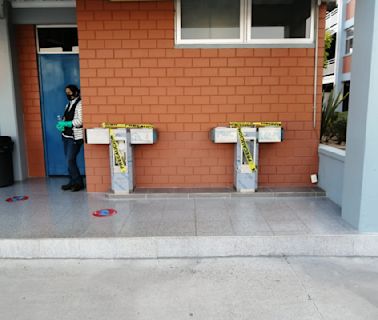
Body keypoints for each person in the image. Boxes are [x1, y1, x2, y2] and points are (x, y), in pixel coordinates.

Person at [56, 84, 84, 192]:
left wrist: (67, 123)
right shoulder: (68, 104)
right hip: (66, 136)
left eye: (70, 92)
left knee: (70, 159)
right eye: (66, 92)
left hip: (75, 137)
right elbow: (67, 117)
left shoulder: (80, 104)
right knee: (69, 161)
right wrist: (62, 122)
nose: (68, 94)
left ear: (76, 92)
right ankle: (72, 181)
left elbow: (80, 121)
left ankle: (78, 182)